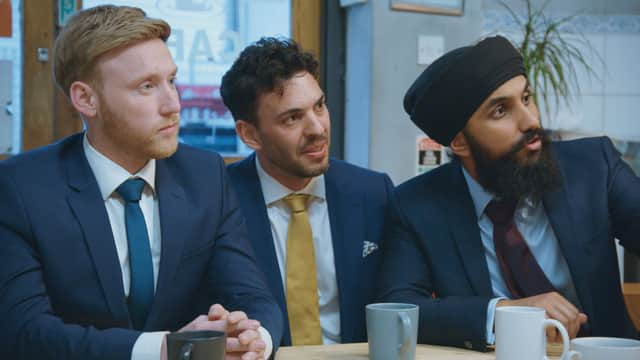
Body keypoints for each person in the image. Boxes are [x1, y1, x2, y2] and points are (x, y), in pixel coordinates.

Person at [0, 6, 282, 360]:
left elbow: (253, 297)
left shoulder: (205, 176)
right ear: (86, 99)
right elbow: (24, 333)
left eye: (172, 81)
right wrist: (163, 349)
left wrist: (254, 338)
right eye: (147, 87)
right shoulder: (22, 188)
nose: (174, 104)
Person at [378, 35, 640, 351]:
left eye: (527, 98)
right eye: (501, 111)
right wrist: (504, 313)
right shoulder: (416, 205)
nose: (530, 121)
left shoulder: (593, 166)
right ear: (460, 142)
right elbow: (398, 308)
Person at [221, 37, 394, 346]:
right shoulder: (219, 199)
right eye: (293, 117)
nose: (318, 128)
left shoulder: (372, 192)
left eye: (320, 106)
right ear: (250, 134)